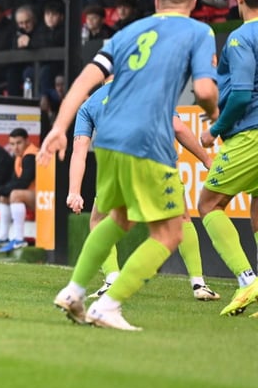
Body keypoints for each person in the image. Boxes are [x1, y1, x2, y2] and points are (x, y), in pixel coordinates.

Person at [38, 0, 219, 331]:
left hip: (108, 142)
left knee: (116, 218)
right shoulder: (200, 31)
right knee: (170, 232)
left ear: (155, 1)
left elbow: (85, 82)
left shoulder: (126, 32)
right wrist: (214, 116)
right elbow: (204, 89)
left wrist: (59, 127)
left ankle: (74, 290)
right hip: (148, 140)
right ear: (194, 3)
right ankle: (109, 305)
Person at [66, 80, 220, 302]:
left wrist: (74, 191)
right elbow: (177, 127)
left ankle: (111, 279)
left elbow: (79, 152)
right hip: (160, 164)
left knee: (99, 221)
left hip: (119, 168)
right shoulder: (151, 87)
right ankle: (199, 284)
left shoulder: (89, 105)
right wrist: (205, 159)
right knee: (182, 220)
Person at [197, 0, 258, 317]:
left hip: (250, 133)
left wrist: (215, 129)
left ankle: (247, 279)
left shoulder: (240, 38)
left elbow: (240, 94)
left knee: (208, 204)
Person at [0, 128, 39, 252]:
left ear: (27, 141)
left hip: (45, 199)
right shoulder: (19, 157)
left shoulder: (30, 156)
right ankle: (3, 237)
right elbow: (13, 181)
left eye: (19, 143)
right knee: (4, 196)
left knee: (15, 194)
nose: (15, 147)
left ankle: (19, 239)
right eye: (12, 144)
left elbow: (23, 183)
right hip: (35, 197)